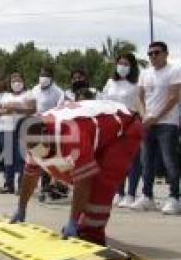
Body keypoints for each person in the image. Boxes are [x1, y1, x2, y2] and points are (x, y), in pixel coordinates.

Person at [10, 100, 143, 245]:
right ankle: (83, 223)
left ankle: (92, 233)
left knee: (99, 185)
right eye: (30, 146)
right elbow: (30, 175)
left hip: (125, 129)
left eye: (37, 145)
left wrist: (73, 221)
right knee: (63, 169)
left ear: (46, 134)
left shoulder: (71, 136)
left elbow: (83, 182)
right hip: (96, 130)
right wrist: (21, 208)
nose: (35, 150)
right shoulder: (32, 137)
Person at [132, 41, 181, 214]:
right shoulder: (145, 73)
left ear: (165, 54)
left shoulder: (174, 71)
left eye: (156, 52)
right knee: (146, 162)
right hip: (148, 123)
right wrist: (145, 116)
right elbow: (139, 98)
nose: (153, 56)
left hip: (167, 123)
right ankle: (147, 196)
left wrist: (156, 117)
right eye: (150, 53)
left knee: (170, 161)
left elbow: (174, 97)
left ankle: (175, 197)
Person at [100, 52, 142, 208]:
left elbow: (140, 104)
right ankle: (118, 192)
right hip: (112, 124)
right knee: (115, 161)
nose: (122, 67)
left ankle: (131, 193)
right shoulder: (110, 82)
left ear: (131, 67)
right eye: (120, 63)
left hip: (130, 123)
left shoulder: (137, 83)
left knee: (132, 161)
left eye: (126, 64)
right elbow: (103, 100)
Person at [28, 66, 65, 201]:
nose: (43, 77)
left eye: (46, 75)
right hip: (35, 126)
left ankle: (48, 186)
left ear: (51, 77)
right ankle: (36, 186)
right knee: (35, 158)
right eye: (41, 74)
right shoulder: (34, 89)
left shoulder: (58, 92)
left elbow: (60, 110)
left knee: (48, 158)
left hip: (50, 127)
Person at [0, 72, 33, 194]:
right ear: (10, 83)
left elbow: (31, 109)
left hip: (21, 130)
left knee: (21, 159)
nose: (16, 83)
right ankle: (8, 185)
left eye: (19, 80)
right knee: (8, 159)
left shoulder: (28, 94)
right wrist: (8, 109)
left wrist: (16, 108)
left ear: (23, 82)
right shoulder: (4, 96)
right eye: (13, 81)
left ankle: (22, 186)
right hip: (5, 129)